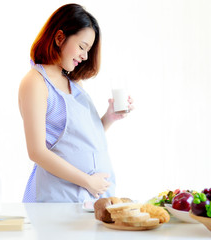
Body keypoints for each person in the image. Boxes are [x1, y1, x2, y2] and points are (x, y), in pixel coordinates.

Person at [18, 3, 133, 203]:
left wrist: (109, 117)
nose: (85, 56)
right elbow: (36, 151)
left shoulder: (73, 81)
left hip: (90, 199)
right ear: (59, 37)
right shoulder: (36, 82)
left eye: (88, 50)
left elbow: (78, 140)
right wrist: (87, 181)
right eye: (82, 47)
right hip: (59, 200)